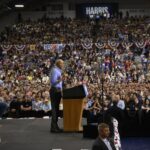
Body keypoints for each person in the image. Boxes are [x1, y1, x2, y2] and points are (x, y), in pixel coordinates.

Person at [49, 59, 64, 133]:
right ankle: (53, 128)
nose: (63, 65)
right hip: (55, 90)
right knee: (55, 109)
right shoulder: (55, 70)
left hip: (58, 91)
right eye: (62, 64)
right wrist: (60, 80)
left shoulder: (58, 71)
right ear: (58, 64)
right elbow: (53, 82)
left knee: (56, 109)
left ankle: (55, 126)